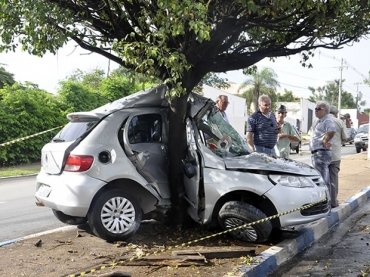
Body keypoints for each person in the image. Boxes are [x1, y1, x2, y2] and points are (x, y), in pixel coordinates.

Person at [309, 100, 336, 196]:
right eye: (315, 108)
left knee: (322, 180)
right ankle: (325, 201)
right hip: (319, 153)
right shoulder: (321, 121)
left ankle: (325, 202)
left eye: (318, 109)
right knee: (323, 179)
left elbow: (332, 130)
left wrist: (325, 140)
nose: (316, 110)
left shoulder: (327, 120)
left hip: (321, 153)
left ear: (326, 111)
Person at [328, 106, 347, 207]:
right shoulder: (339, 122)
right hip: (334, 155)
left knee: (321, 179)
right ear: (336, 114)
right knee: (333, 180)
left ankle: (322, 203)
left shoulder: (319, 121)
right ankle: (333, 202)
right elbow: (345, 138)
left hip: (320, 156)